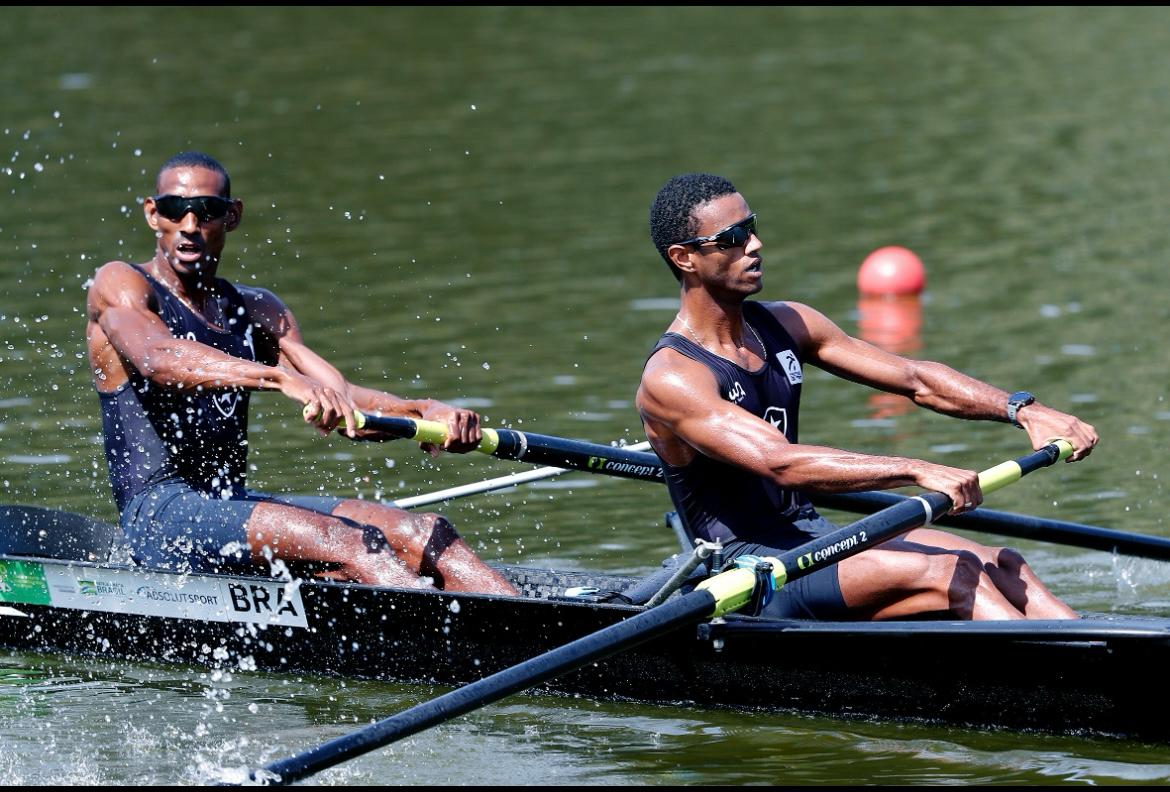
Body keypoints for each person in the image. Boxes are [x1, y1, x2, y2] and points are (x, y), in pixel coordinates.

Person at [637, 173, 1098, 621]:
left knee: (1003, 562)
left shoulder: (788, 323)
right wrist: (915, 469)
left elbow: (918, 378)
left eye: (752, 228)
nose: (754, 245)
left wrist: (1024, 411)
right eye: (733, 237)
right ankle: (1078, 689)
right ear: (685, 258)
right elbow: (782, 463)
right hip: (752, 573)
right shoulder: (674, 378)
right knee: (951, 573)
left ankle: (1098, 656)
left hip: (814, 538)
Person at [86, 151, 517, 595]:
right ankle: (441, 640)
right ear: (154, 214)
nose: (191, 225)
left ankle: (527, 630)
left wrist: (427, 414)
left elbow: (342, 397)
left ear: (231, 217)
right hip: (160, 514)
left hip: (232, 505)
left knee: (425, 535)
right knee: (354, 543)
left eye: (208, 211)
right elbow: (157, 358)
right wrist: (277, 377)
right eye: (176, 209)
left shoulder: (254, 308)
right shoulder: (121, 285)